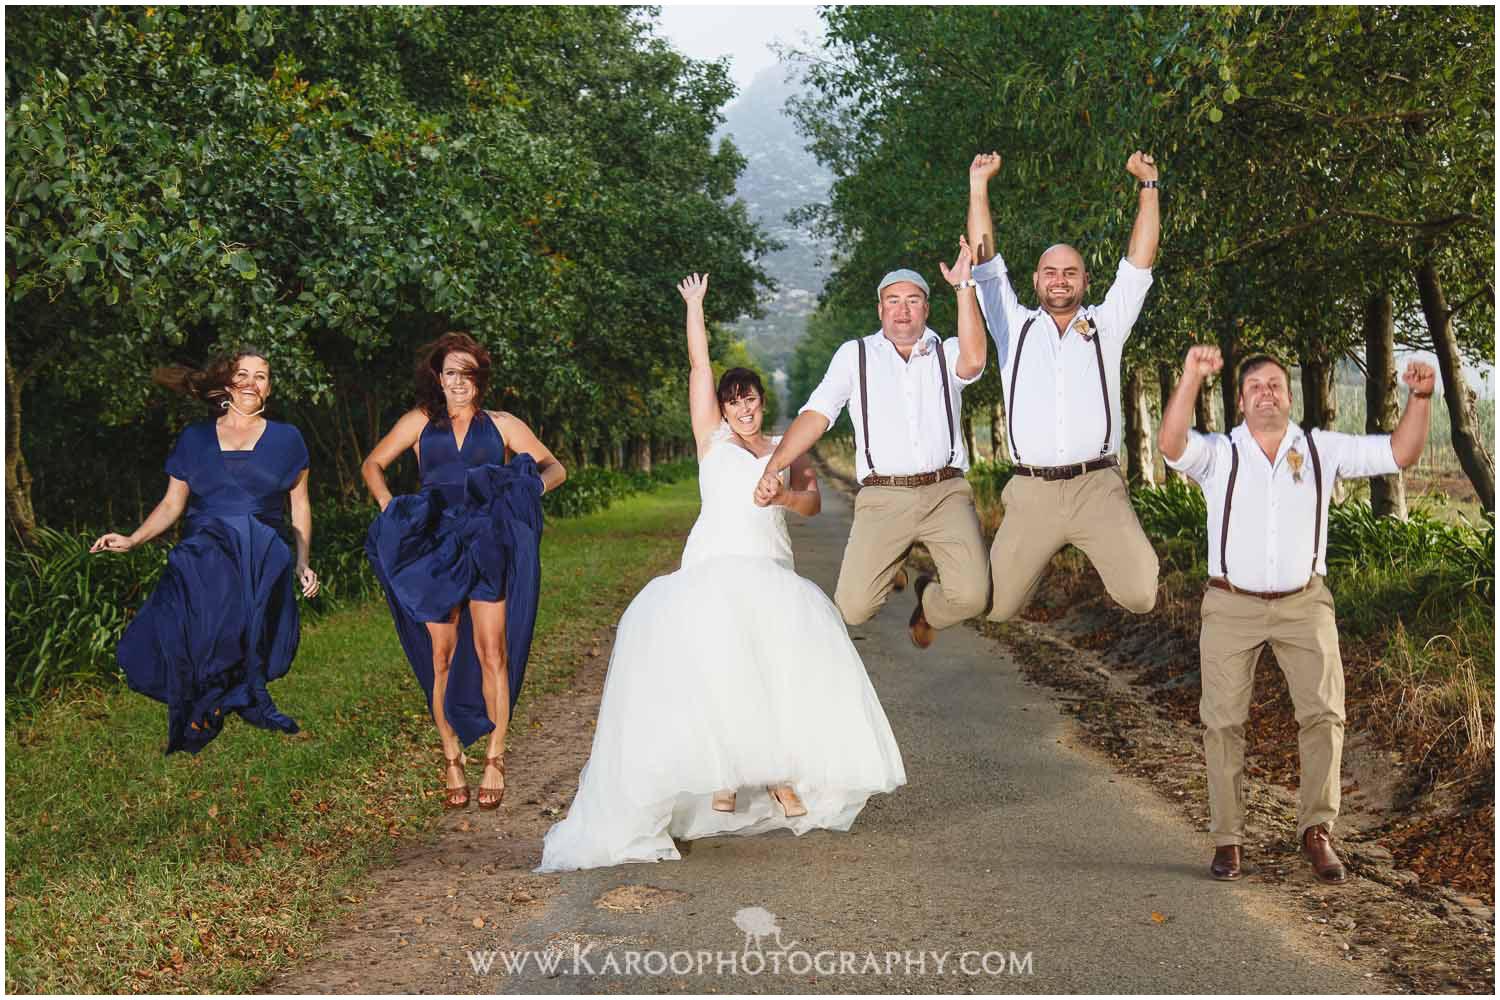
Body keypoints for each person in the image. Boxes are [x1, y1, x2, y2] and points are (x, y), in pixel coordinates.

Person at [536, 274, 905, 873]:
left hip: (771, 569)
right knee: (720, 670)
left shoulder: (787, 446)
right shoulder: (711, 441)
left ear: (760, 400)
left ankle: (780, 773)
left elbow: (812, 504)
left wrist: (782, 496)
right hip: (712, 567)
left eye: (749, 397)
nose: (742, 407)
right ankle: (725, 774)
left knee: (772, 669)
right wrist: (695, 308)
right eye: (733, 401)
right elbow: (698, 368)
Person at [1159, 346, 1435, 883]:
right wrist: (1191, 375)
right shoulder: (1219, 453)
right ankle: (1228, 838)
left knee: (1325, 715)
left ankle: (1317, 831)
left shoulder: (1319, 448)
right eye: (1255, 386)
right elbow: (1171, 444)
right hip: (1231, 605)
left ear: (1291, 397)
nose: (1266, 392)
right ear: (1240, 401)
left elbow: (1399, 453)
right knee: (1222, 722)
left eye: (1275, 385)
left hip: (1304, 604)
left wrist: (1420, 397)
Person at [362, 333, 566, 811]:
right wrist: (392, 508)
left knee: (493, 652)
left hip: (487, 543)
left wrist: (526, 492)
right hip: (433, 544)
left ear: (480, 378)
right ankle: (451, 755)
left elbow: (555, 468)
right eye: (450, 372)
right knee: (442, 657)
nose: (458, 382)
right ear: (438, 377)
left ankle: (495, 755)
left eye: (467, 373)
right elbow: (373, 464)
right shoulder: (419, 421)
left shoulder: (503, 424)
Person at [753, 241, 989, 649]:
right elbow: (816, 415)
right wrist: (774, 467)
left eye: (913, 301)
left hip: (946, 493)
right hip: (883, 498)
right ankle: (889, 563)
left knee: (973, 598)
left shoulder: (946, 350)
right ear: (880, 310)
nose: (903, 310)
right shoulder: (855, 355)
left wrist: (964, 287)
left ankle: (927, 603)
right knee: (853, 609)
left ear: (926, 308)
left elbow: (975, 361)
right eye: (893, 301)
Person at [967, 150, 1161, 622]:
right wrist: (978, 186)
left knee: (1141, 594)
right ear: (1035, 280)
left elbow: (1138, 263)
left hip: (1097, 488)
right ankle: (934, 598)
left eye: (1070, 272)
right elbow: (984, 262)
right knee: (993, 608)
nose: (1060, 281)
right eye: (1051, 273)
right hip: (1031, 491)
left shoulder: (1106, 326)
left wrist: (1149, 187)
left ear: (1085, 281)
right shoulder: (1012, 326)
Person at [92, 349, 319, 754]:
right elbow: (171, 504)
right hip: (207, 546)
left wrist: (302, 560)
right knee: (199, 617)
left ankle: (230, 697)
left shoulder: (288, 438)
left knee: (241, 623)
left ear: (269, 388)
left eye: (261, 376)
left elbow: (299, 506)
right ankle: (212, 699)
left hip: (261, 550)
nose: (252, 382)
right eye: (243, 374)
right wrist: (133, 538)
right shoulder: (195, 438)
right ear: (227, 383)